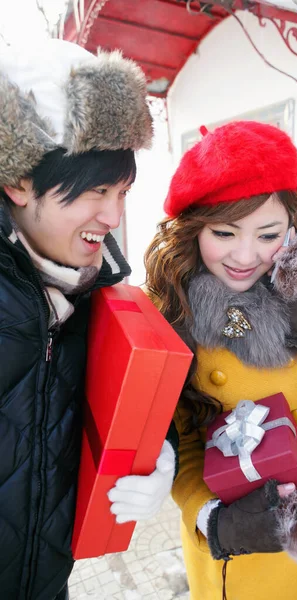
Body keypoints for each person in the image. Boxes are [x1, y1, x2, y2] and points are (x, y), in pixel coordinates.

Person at [144, 121, 297, 600]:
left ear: (293, 227)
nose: (245, 255)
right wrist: (213, 522)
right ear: (194, 228)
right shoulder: (177, 311)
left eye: (268, 234)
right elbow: (179, 443)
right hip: (249, 545)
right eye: (224, 232)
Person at [0, 40, 177, 600]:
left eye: (122, 191)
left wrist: (157, 453)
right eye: (97, 190)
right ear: (20, 181)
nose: (115, 215)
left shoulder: (97, 300)